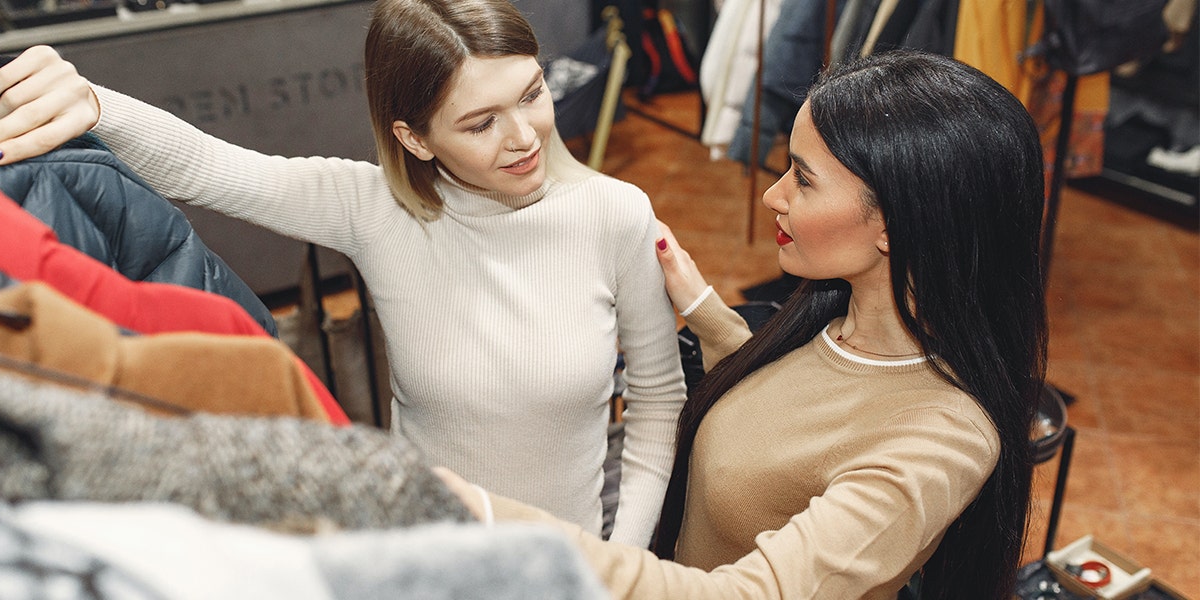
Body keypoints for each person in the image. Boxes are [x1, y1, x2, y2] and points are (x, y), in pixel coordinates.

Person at [0, 0, 686, 547]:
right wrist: (94, 102)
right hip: (426, 558)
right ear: (414, 137)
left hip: (576, 563)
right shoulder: (373, 208)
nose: (526, 137)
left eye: (531, 93)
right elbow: (210, 167)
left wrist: (616, 563)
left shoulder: (616, 213)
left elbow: (656, 405)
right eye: (481, 122)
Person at [436, 49, 1049, 600]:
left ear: (896, 224)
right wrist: (703, 307)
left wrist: (490, 517)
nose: (772, 196)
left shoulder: (945, 441)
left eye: (803, 179)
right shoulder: (837, 320)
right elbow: (798, 411)